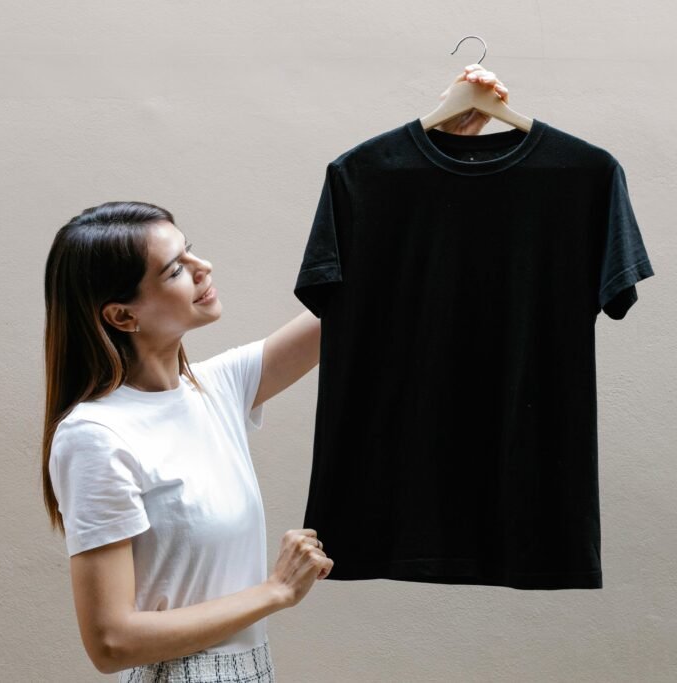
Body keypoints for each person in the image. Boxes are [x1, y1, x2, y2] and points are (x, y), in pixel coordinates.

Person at [40, 64, 510, 681]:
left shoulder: (214, 389)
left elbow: (363, 292)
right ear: (122, 314)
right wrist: (276, 592)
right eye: (176, 269)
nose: (203, 267)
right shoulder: (95, 438)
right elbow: (110, 642)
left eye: (191, 249)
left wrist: (446, 146)